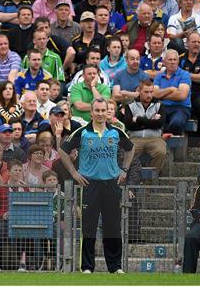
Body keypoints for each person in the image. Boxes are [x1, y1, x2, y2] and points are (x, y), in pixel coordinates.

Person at [60, 98, 134, 273]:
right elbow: (63, 150)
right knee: (88, 227)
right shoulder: (82, 132)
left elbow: (131, 149)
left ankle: (115, 267)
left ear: (108, 112)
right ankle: (87, 267)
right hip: (90, 185)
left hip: (111, 184)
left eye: (103, 110)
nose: (100, 114)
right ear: (91, 112)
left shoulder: (116, 132)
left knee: (113, 226)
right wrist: (74, 173)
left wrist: (124, 170)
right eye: (97, 110)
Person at [122, 80, 167, 174]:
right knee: (126, 153)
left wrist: (138, 120)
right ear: (139, 91)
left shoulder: (159, 105)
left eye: (151, 92)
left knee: (161, 152)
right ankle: (133, 178)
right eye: (146, 92)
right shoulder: (130, 105)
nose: (149, 95)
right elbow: (129, 125)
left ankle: (151, 178)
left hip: (155, 138)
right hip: (135, 138)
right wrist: (151, 122)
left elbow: (160, 124)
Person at [179, 32, 200, 141]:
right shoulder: (180, 58)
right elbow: (176, 77)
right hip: (182, 92)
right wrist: (196, 76)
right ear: (187, 43)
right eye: (194, 42)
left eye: (199, 42)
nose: (197, 44)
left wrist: (185, 75)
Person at [153, 49, 191, 135]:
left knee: (176, 123)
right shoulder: (159, 76)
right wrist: (171, 89)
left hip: (180, 108)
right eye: (170, 60)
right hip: (162, 107)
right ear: (164, 62)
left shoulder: (184, 75)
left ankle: (173, 145)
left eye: (175, 60)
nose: (173, 62)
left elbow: (182, 96)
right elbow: (154, 94)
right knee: (152, 122)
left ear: (178, 61)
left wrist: (161, 95)